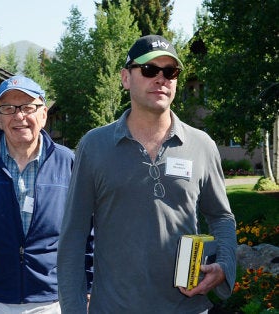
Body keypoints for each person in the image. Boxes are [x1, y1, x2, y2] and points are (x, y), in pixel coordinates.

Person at [57, 35, 237, 313]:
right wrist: (74, 308)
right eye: (150, 70)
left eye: (170, 71)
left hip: (187, 308)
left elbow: (221, 217)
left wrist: (224, 265)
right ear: (126, 78)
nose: (161, 79)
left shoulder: (202, 145)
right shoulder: (94, 146)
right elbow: (73, 236)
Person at [0, 75, 92, 313]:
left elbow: (88, 231)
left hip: (51, 300)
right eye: (8, 108)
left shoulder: (69, 162)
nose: (19, 116)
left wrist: (89, 287)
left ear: (43, 114)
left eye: (27, 107)